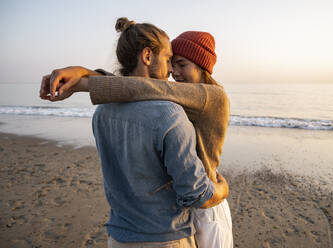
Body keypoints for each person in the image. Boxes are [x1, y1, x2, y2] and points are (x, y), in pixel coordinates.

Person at [41, 18, 230, 248]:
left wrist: (83, 78)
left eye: (181, 64)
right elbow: (141, 87)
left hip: (123, 234)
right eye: (171, 61)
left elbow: (141, 86)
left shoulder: (102, 113)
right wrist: (222, 190)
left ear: (203, 66)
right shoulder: (170, 112)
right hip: (177, 223)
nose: (172, 72)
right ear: (147, 56)